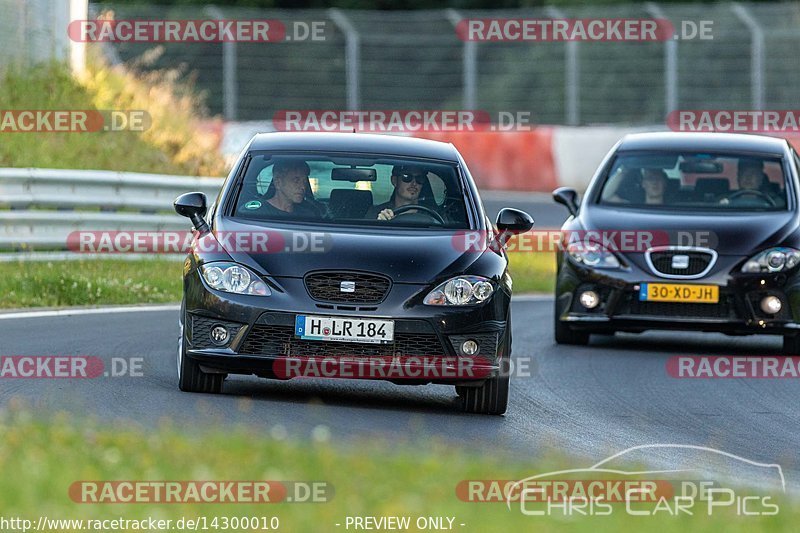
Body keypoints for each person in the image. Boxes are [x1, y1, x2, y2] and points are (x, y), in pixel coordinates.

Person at [366, 164, 438, 221]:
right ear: (394, 181)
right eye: (407, 177)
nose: (414, 183)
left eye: (419, 178)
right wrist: (379, 224)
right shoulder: (376, 213)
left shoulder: (434, 215)